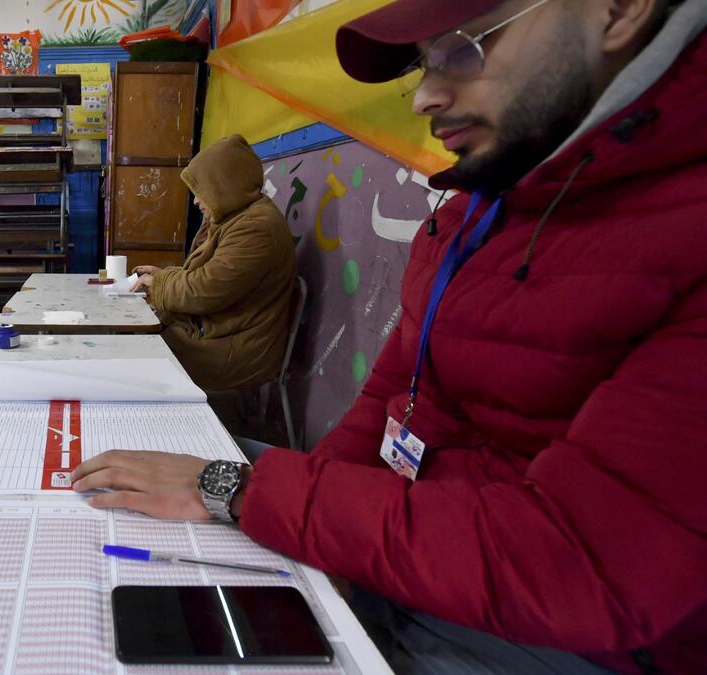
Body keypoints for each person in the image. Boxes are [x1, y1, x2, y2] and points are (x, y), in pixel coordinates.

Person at [72, 0, 707, 673]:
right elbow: (391, 404)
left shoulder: (678, 226)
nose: (428, 96)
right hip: (416, 539)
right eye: (423, 63)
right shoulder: (480, 211)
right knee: (122, 486)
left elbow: (584, 566)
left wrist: (244, 491)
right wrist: (312, 526)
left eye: (464, 48)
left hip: (564, 632)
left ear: (620, 9)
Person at [128, 134, 296, 392]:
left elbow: (205, 290)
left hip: (233, 350)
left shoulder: (256, 229)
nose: (196, 200)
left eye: (200, 191)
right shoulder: (235, 217)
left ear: (224, 184)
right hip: (216, 333)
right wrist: (162, 276)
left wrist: (161, 284)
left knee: (138, 357)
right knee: (136, 342)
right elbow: (208, 275)